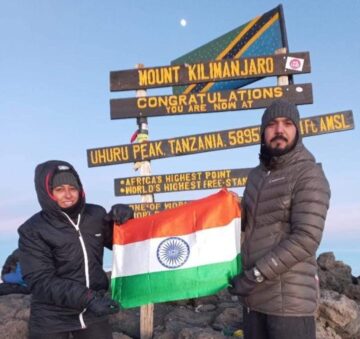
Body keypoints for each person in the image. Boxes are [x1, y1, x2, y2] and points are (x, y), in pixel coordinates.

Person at [229, 100, 331, 339]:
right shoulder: (256, 176)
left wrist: (255, 274)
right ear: (263, 132)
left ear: (298, 130)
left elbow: (307, 237)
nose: (279, 130)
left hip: (290, 308)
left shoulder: (309, 174)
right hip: (254, 302)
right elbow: (239, 226)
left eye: (287, 124)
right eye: (272, 124)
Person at [18, 160, 133, 339]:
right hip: (51, 316)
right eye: (59, 189)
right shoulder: (33, 229)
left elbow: (122, 244)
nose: (68, 194)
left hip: (92, 313)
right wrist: (88, 298)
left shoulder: (96, 215)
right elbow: (40, 280)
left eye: (72, 188)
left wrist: (124, 221)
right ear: (48, 193)